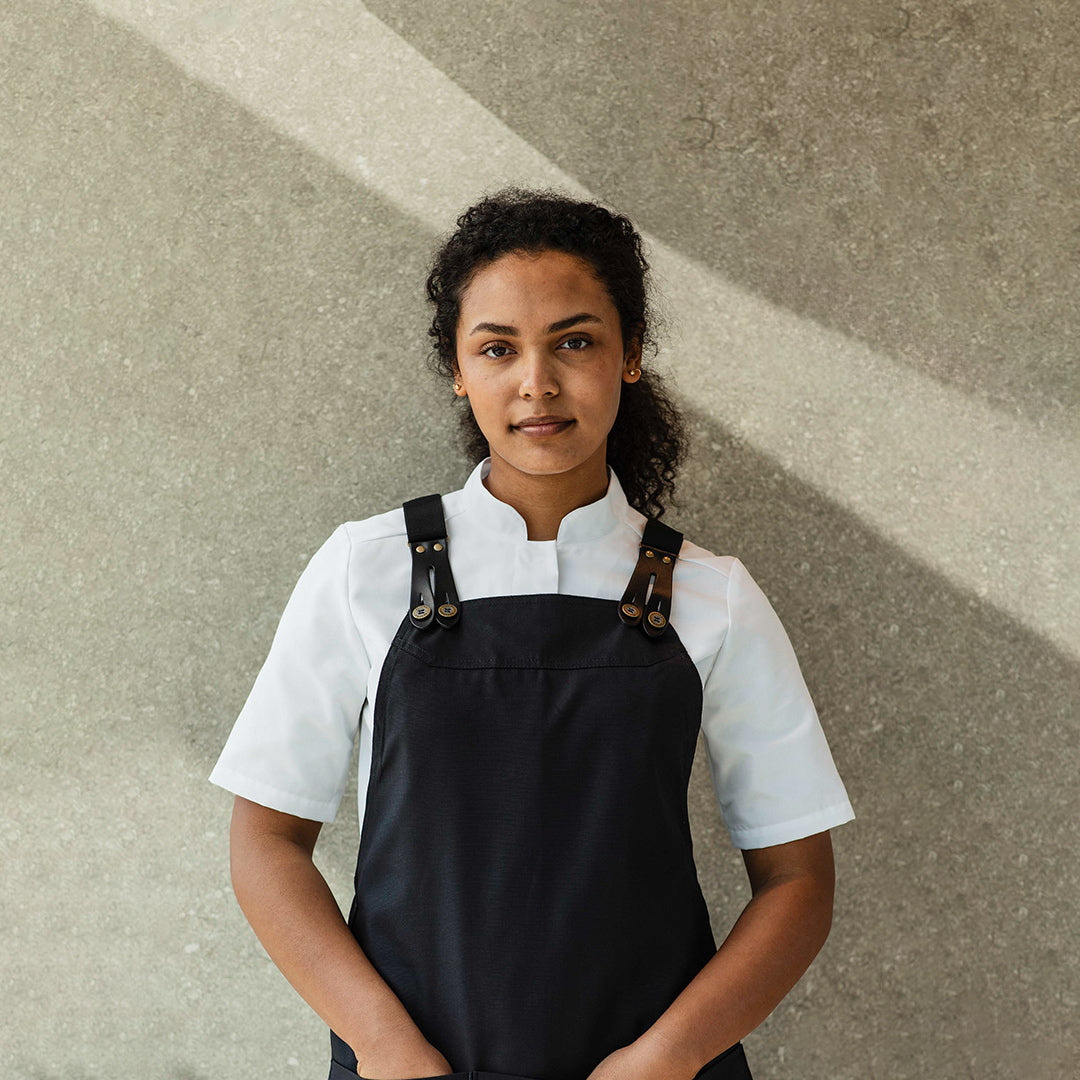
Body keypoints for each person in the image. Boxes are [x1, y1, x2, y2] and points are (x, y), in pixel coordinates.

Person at [208, 186, 855, 1080]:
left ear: (630, 356)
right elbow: (265, 841)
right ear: (458, 368)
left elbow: (798, 884)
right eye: (498, 348)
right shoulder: (365, 569)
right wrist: (389, 1049)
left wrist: (665, 1060)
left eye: (576, 341)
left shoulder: (715, 598)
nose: (537, 383)